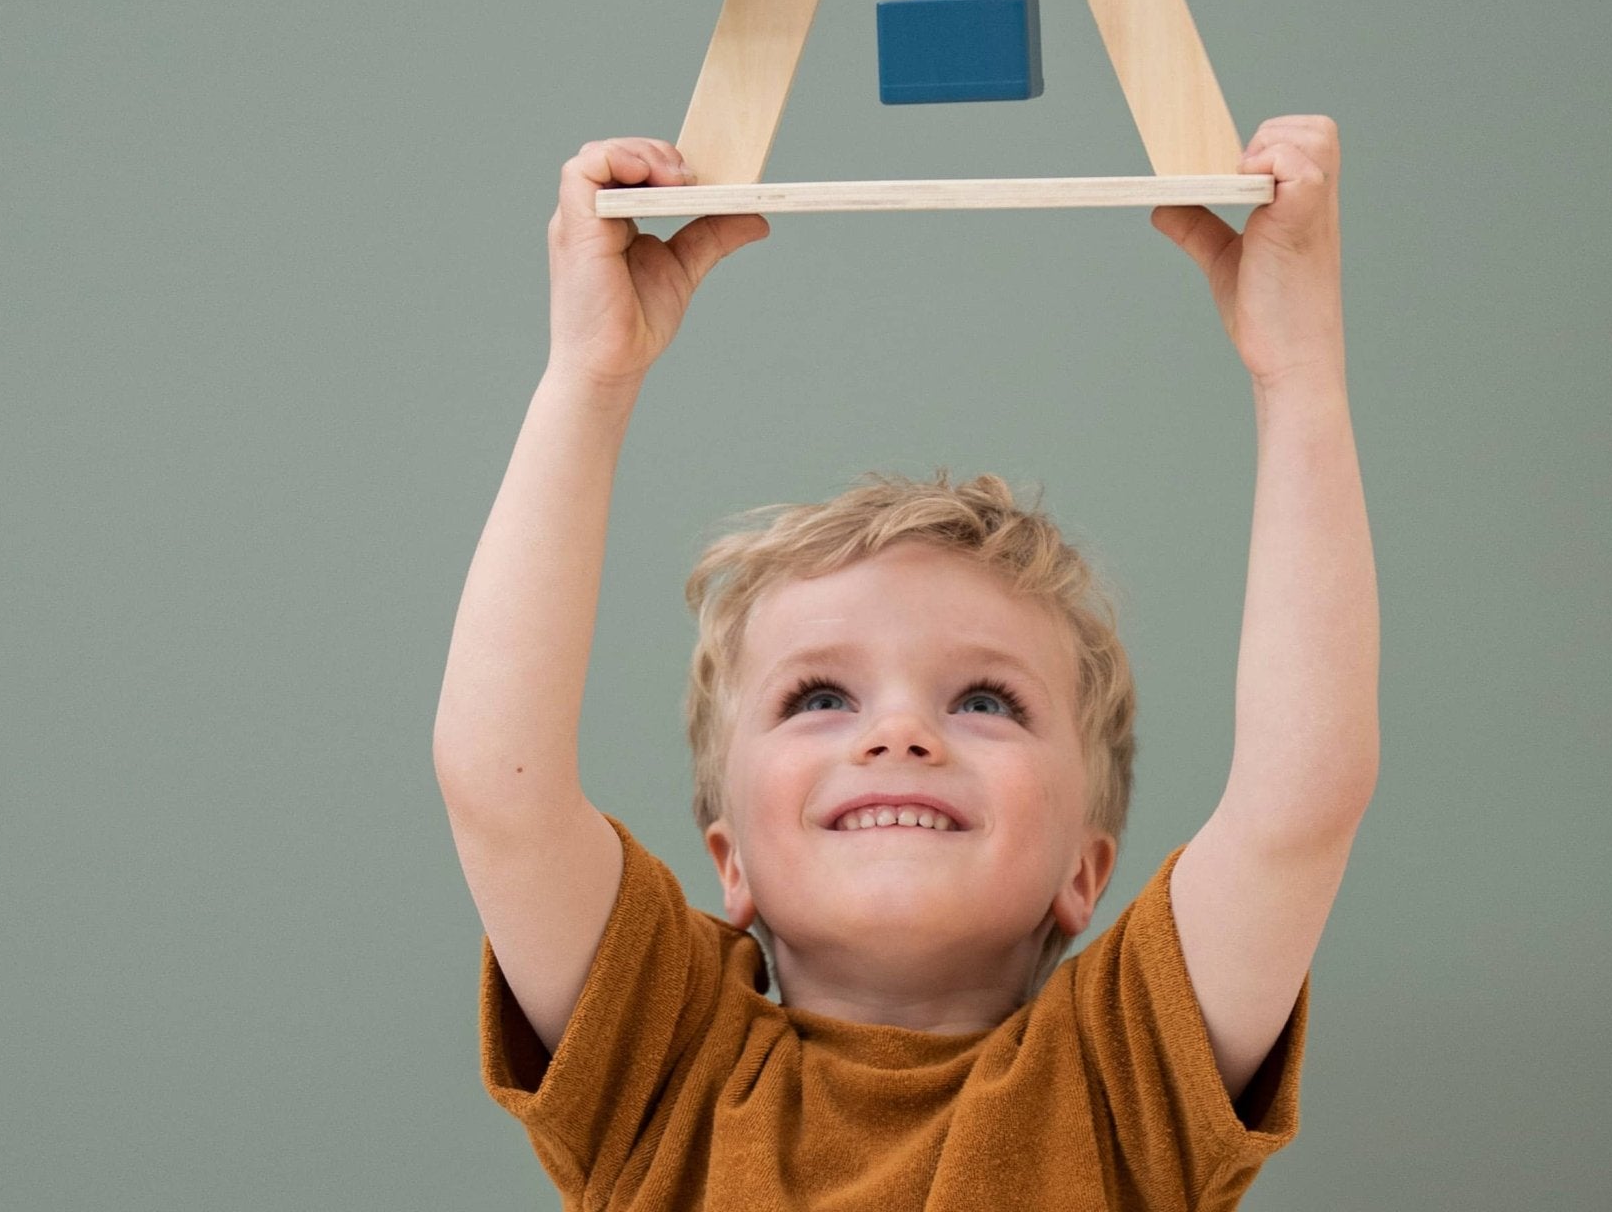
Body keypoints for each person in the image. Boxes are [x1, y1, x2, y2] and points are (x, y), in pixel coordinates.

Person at [433, 119, 1378, 1210]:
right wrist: (588, 377)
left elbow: (1299, 800)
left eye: (985, 698)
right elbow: (497, 785)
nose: (899, 734)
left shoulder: (1128, 1076)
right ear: (727, 860)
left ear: (1085, 867)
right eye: (817, 695)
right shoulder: (659, 1059)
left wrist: (1299, 372)